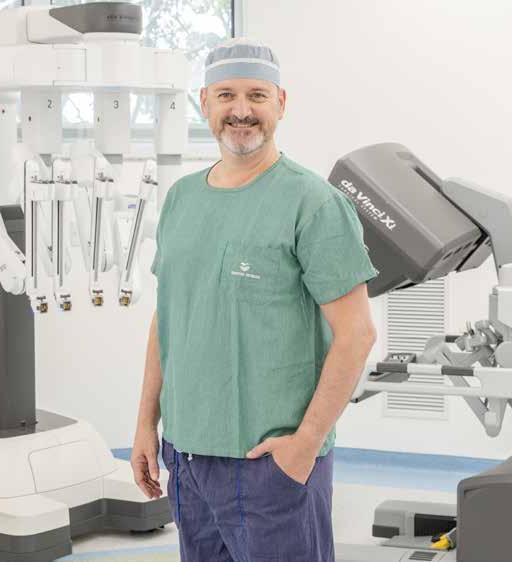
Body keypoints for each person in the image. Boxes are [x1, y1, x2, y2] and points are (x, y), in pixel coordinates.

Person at [130, 37, 378, 562]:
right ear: (205, 103)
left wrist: (304, 446)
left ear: (280, 104)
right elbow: (168, 317)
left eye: (256, 96)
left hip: (271, 465)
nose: (241, 110)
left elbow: (357, 334)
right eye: (226, 95)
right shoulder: (181, 200)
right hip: (188, 459)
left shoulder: (314, 204)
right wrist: (146, 424)